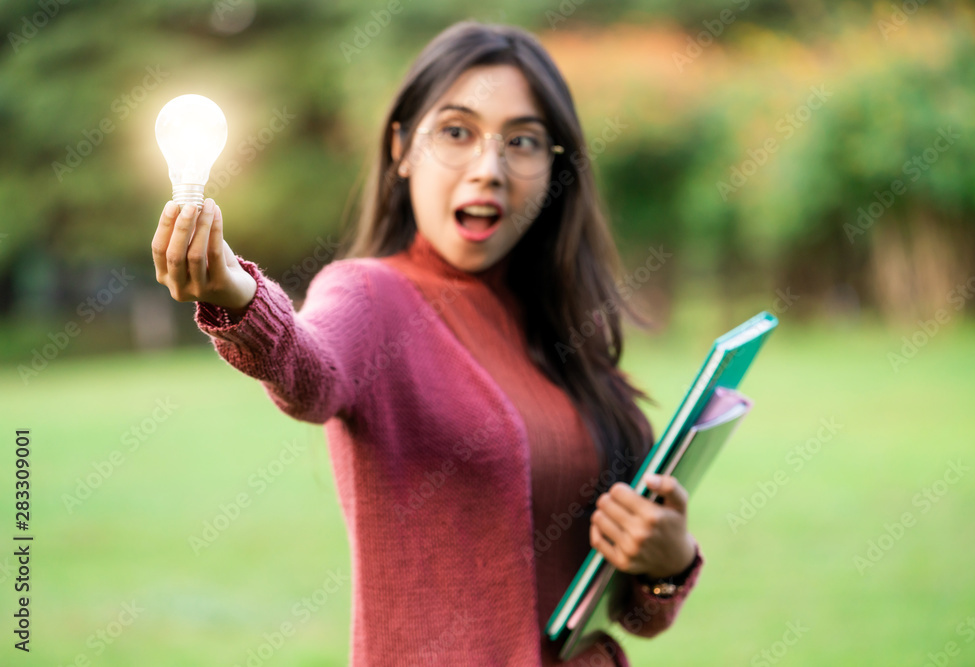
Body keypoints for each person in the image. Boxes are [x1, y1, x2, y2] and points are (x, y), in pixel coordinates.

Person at [151, 20, 703, 667]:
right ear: (403, 149)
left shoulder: (560, 333)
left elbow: (636, 613)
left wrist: (668, 558)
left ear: (555, 168)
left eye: (522, 141)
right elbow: (308, 370)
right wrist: (234, 292)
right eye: (457, 132)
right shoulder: (371, 296)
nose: (489, 168)